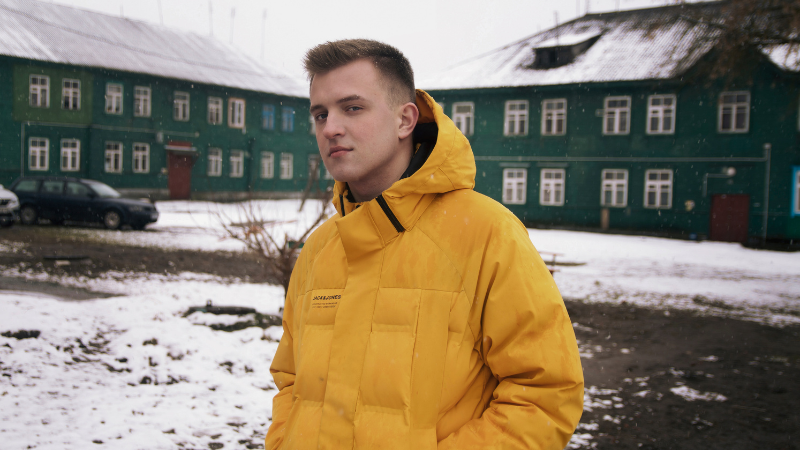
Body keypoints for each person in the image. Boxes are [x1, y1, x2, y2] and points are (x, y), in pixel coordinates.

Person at [266, 39, 583, 450]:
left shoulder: (487, 234)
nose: (330, 128)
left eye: (352, 107)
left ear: (405, 120)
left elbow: (545, 394)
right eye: (320, 114)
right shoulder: (320, 249)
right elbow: (291, 383)